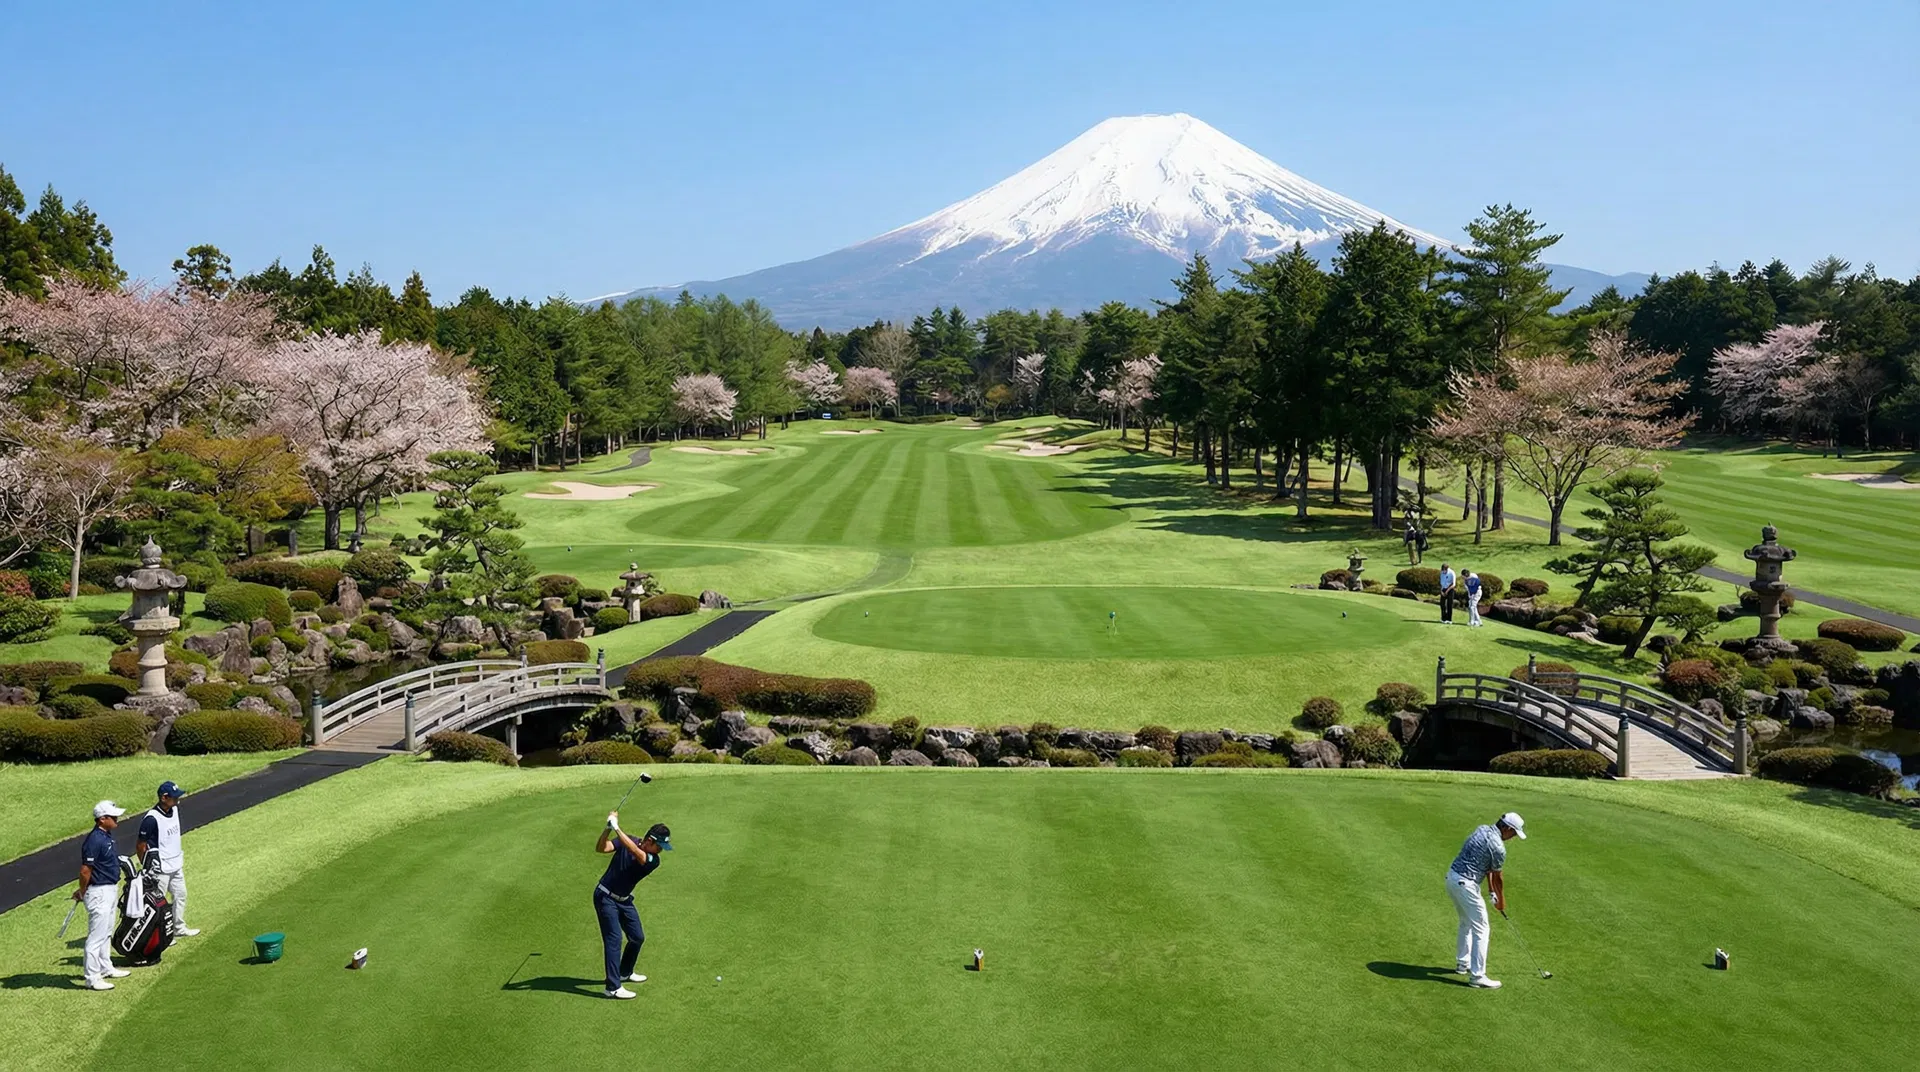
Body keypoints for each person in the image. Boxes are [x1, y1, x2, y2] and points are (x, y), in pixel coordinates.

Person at [593, 814, 671, 1000]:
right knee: (614, 939)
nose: (660, 850)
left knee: (637, 937)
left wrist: (618, 828)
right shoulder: (630, 840)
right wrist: (608, 829)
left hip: (624, 900)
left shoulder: (653, 860)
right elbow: (601, 848)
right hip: (605, 897)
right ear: (650, 840)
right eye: (659, 846)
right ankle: (612, 987)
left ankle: (624, 972)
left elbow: (637, 853)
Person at [1447, 812, 1525, 989]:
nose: (1513, 838)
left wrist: (1490, 890)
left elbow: (1488, 867)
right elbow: (1497, 877)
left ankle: (1462, 964)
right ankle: (1477, 976)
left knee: (1466, 922)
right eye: (1513, 833)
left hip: (1452, 878)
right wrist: (1500, 902)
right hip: (1466, 885)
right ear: (1506, 828)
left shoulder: (1481, 829)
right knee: (1482, 928)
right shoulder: (1498, 847)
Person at [76, 801, 131, 991]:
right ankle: (92, 978)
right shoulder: (95, 840)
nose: (116, 819)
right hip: (98, 892)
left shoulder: (106, 835)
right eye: (112, 816)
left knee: (106, 932)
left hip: (109, 889)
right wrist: (83, 891)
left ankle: (105, 967)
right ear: (102, 819)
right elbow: (85, 871)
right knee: (95, 938)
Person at [135, 781, 198, 938]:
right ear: (164, 798)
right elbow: (141, 845)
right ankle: (160, 936)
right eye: (174, 797)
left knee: (180, 895)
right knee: (158, 904)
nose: (178, 800)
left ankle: (178, 928)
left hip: (176, 864)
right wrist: (147, 866)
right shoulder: (151, 819)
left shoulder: (174, 810)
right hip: (160, 868)